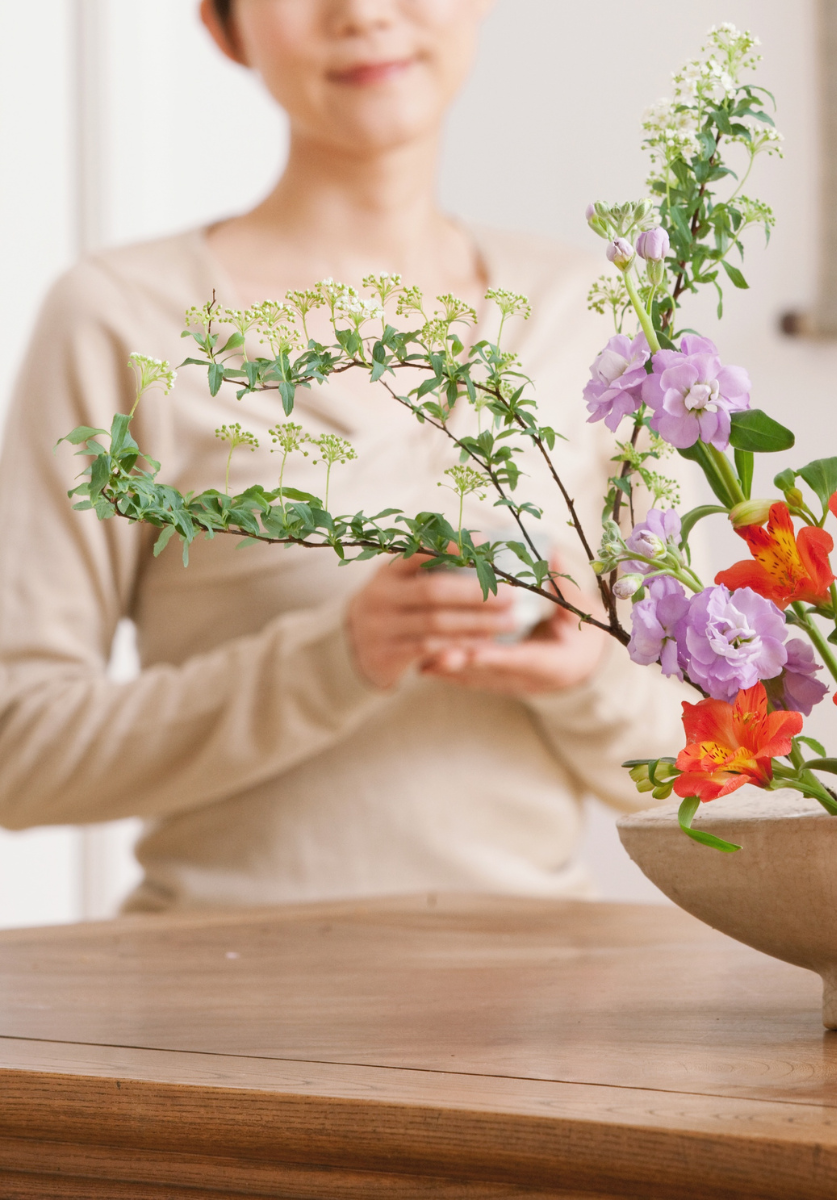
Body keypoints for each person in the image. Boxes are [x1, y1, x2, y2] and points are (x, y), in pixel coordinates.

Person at [0, 0, 689, 911]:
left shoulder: (600, 320)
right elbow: (20, 751)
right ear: (221, 24)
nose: (363, 13)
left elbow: (710, 762)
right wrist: (335, 661)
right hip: (209, 1015)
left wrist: (586, 675)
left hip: (543, 1017)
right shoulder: (117, 317)